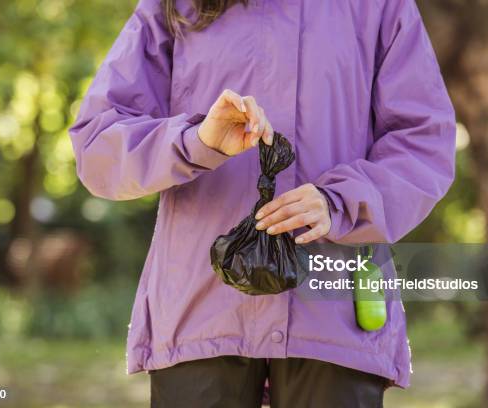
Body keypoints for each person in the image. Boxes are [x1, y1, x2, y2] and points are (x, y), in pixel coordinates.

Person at [69, 0, 455, 406]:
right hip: (201, 309)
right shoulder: (174, 7)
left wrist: (340, 202)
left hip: (333, 307)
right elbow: (98, 144)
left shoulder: (379, 6)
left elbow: (424, 141)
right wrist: (196, 141)